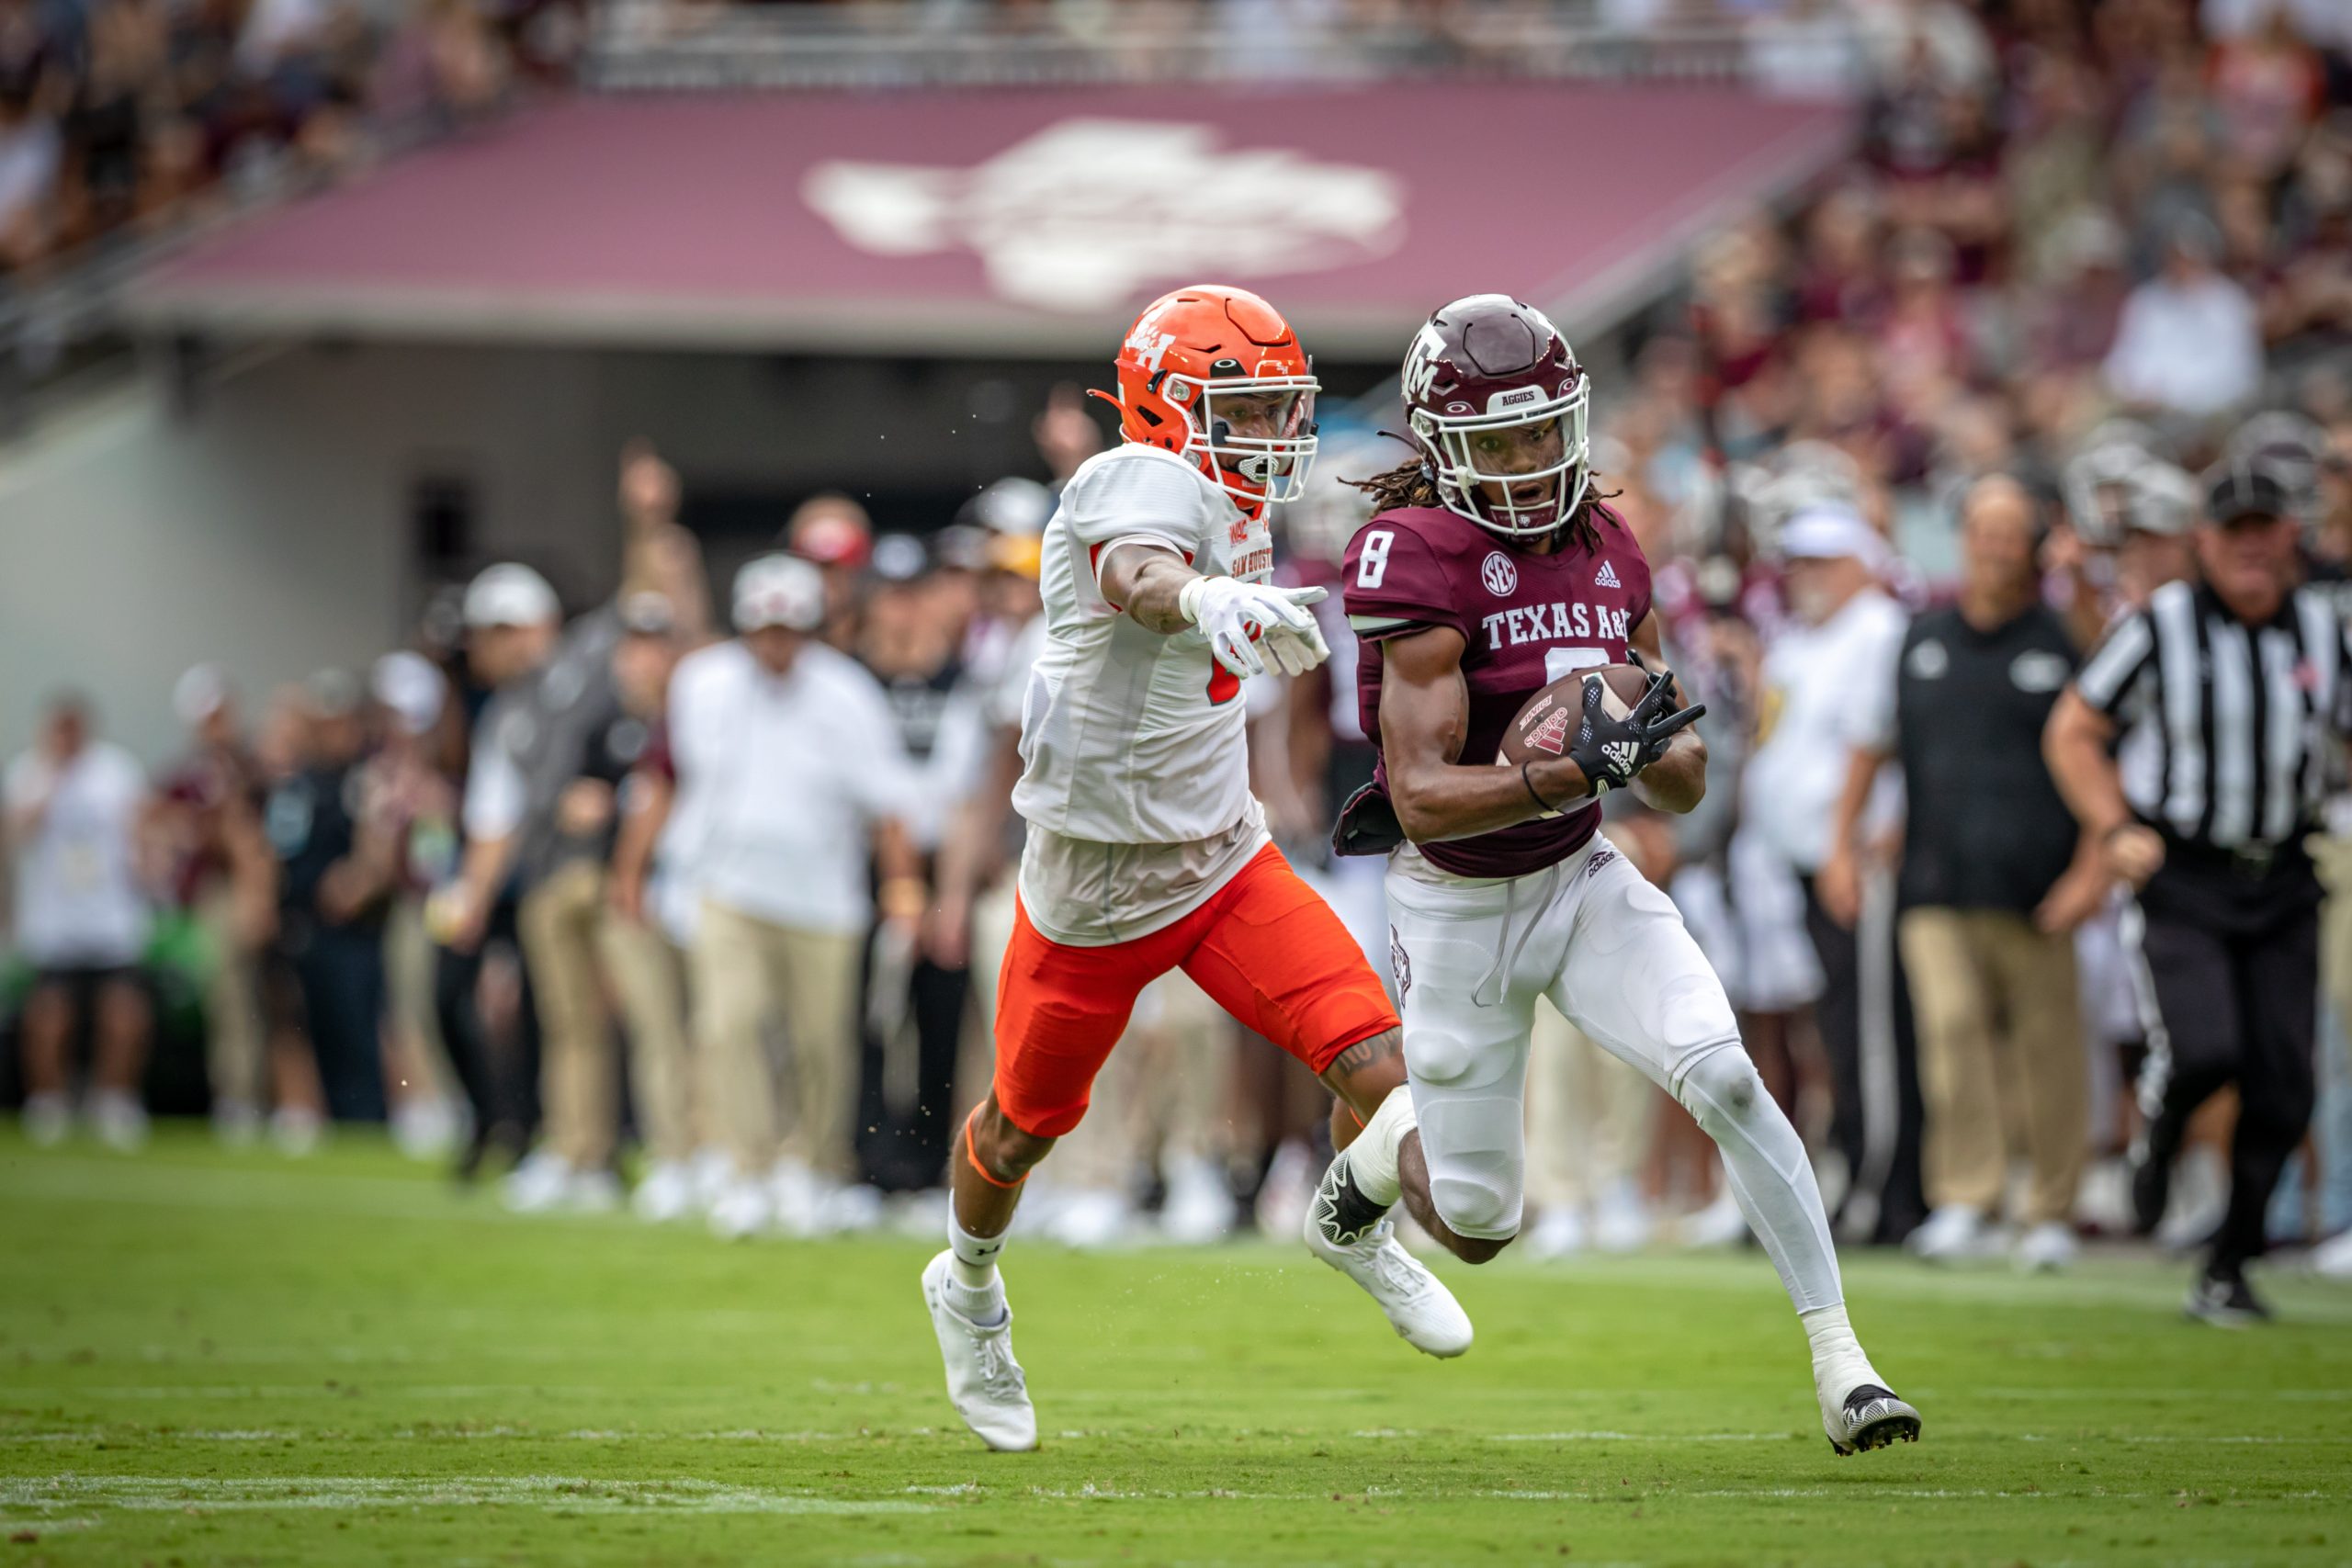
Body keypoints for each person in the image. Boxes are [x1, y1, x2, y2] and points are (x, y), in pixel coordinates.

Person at [1317, 294, 1919, 1455]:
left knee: (1727, 1074)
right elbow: (1422, 799)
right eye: (1501, 440)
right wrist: (1565, 772)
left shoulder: (1607, 542)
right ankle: (1371, 1165)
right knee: (1484, 1223)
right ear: (1442, 447)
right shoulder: (1417, 555)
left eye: (1545, 432)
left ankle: (1844, 1362)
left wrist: (1642, 754)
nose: (1532, 460)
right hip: (1456, 905)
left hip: (1581, 877)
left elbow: (1682, 778)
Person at [921, 284, 1471, 1454]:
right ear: (1165, 406)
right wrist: (1210, 593)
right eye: (1246, 410)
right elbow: (1138, 575)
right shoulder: (1138, 481)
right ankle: (966, 1287)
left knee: (1379, 1063)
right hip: (1092, 889)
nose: (1274, 440)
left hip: (1223, 864)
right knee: (1020, 1130)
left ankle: (1352, 1225)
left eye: (1283, 412)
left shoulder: (1236, 503)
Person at [2045, 458, 2352, 1325]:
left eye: (2268, 528)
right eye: (2236, 530)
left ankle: (2229, 1260)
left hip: (2287, 871)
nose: (2253, 547)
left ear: (2293, 535)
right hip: (2185, 871)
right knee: (2209, 1048)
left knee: (2287, 1083)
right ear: (2204, 541)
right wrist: (2114, 828)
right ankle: (2160, 1132)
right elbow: (2074, 729)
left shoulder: (2326, 631)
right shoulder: (2161, 625)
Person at [1822, 476, 2101, 1269]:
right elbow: (1871, 746)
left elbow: (2105, 746)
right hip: (1935, 880)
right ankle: (1966, 1195)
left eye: (2012, 531)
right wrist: (1842, 843)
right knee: (1949, 1037)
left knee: (2047, 1049)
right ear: (1964, 537)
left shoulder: (2061, 636)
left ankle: (2050, 1205)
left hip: (2039, 885)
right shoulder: (1921, 636)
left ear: (2037, 544)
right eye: (1983, 529)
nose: (1995, 545)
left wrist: (2090, 870)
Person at [672, 553, 926, 1239]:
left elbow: (890, 805)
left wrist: (902, 889)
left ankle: (811, 1168)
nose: (776, 642)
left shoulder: (847, 694)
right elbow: (687, 784)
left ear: (812, 628)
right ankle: (746, 1168)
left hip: (824, 901)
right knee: (730, 1025)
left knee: (821, 1044)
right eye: (765, 628)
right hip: (728, 887)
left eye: (789, 628)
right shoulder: (702, 683)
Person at [1747, 507, 1927, 1246]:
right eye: (1796, 562)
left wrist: (1854, 844)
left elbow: (1887, 742)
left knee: (1872, 1035)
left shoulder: (1879, 630)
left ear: (1862, 561)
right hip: (1797, 862)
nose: (1804, 576)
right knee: (1834, 1032)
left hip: (1849, 861)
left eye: (1821, 562)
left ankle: (1886, 1189)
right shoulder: (1797, 640)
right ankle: (1856, 1174)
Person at [6, 694, 154, 1148]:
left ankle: (114, 1099)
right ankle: (49, 1100)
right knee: (49, 1016)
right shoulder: (28, 774)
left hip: (111, 918)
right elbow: (13, 835)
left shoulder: (117, 771)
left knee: (124, 1014)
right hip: (55, 921)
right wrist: (52, 781)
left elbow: (144, 830)